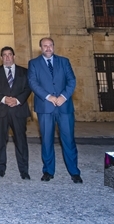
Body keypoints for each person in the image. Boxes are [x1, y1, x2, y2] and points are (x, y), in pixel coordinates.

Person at [28, 37, 82, 183]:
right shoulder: (33, 63)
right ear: (40, 48)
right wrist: (48, 97)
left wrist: (64, 96)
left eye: (50, 45)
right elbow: (33, 83)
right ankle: (48, 171)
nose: (48, 48)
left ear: (54, 46)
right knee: (46, 140)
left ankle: (74, 172)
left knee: (69, 140)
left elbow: (72, 80)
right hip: (45, 107)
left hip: (64, 107)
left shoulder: (64, 61)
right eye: (45, 46)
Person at [0, 46, 31, 180]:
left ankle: (24, 170)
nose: (7, 57)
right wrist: (4, 99)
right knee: (0, 141)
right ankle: (0, 169)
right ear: (1, 58)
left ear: (14, 56)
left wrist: (17, 100)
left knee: (21, 141)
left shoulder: (24, 72)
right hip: (1, 110)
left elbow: (28, 87)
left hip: (18, 110)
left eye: (9, 54)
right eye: (4, 55)